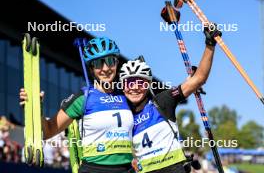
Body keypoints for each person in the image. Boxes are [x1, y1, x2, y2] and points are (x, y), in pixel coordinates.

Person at [20, 37, 135, 173]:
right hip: (94, 169)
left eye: (110, 61)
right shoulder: (82, 98)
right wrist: (36, 108)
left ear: (116, 63)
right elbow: (49, 131)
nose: (105, 68)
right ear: (91, 69)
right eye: (98, 63)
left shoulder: (127, 96)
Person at [119, 25, 222, 173]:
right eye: (129, 82)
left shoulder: (162, 101)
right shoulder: (124, 113)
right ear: (123, 86)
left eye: (140, 82)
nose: (134, 87)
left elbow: (198, 79)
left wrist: (210, 45)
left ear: (147, 84)